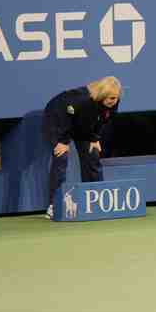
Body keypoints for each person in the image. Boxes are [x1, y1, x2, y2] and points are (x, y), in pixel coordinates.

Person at [42, 76, 122, 220]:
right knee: (62, 156)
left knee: (93, 154)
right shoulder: (83, 100)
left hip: (80, 120)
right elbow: (69, 120)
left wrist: (95, 138)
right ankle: (55, 205)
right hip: (59, 117)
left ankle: (95, 201)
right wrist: (63, 141)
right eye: (110, 98)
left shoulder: (112, 101)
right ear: (102, 95)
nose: (113, 101)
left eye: (115, 98)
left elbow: (105, 119)